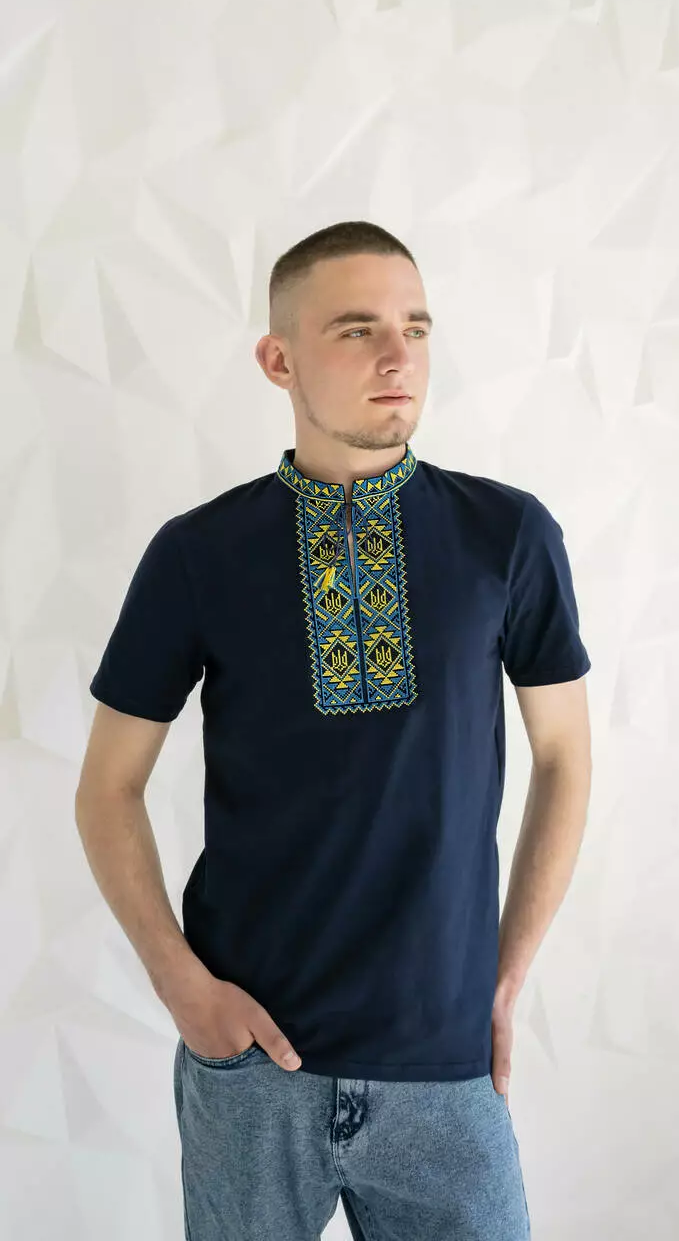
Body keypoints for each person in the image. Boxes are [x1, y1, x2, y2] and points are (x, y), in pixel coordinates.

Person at [75, 220, 592, 1239]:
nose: (398, 357)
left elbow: (565, 756)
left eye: (415, 328)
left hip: (446, 1069)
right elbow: (107, 786)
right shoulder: (198, 553)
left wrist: (505, 978)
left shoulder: (508, 536)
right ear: (279, 360)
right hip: (251, 1067)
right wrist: (184, 989)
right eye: (357, 330)